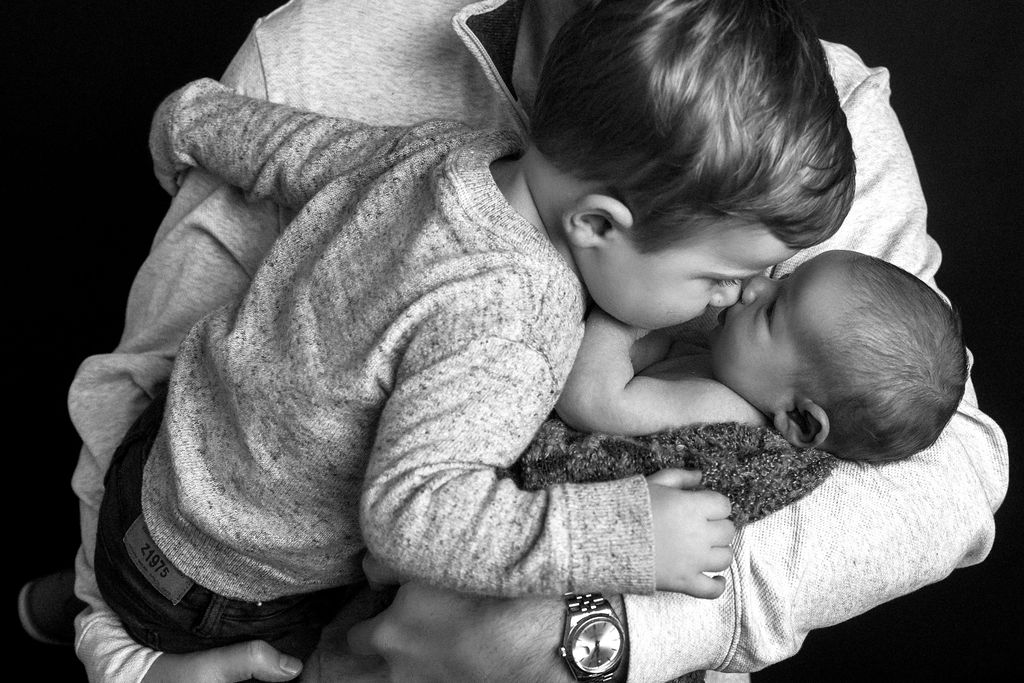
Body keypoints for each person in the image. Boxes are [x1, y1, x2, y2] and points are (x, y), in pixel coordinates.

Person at [53, 1, 1005, 681]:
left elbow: (292, 151)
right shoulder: (517, 321)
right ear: (597, 223)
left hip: (166, 460)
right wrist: (627, 537)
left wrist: (191, 119)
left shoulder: (448, 155)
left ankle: (82, 593)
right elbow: (414, 515)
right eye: (719, 281)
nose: (742, 293)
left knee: (132, 562)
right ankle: (106, 613)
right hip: (239, 585)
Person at [555, 249, 968, 464]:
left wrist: (628, 309)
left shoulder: (721, 412)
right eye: (783, 279)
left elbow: (588, 401)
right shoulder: (725, 369)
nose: (756, 286)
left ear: (799, 420)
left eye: (771, 311)